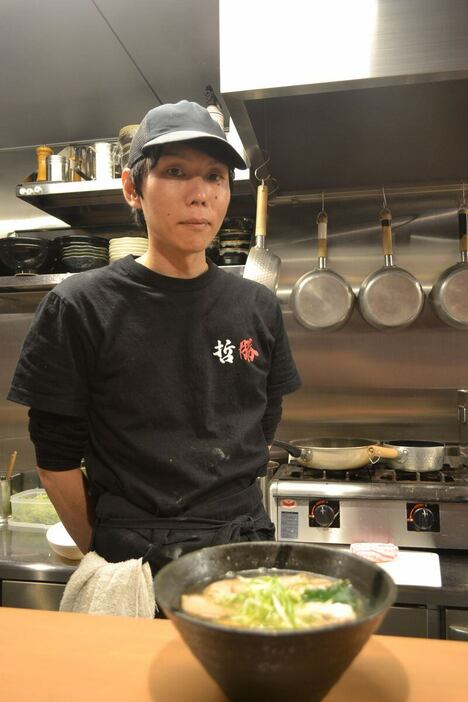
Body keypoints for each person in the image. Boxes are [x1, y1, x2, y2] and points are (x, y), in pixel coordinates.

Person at [7, 100, 301, 575]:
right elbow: (55, 457)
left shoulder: (257, 305)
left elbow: (262, 422)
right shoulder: (81, 305)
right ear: (132, 188)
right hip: (134, 559)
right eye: (176, 171)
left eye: (215, 176)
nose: (200, 194)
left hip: (243, 548)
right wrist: (104, 555)